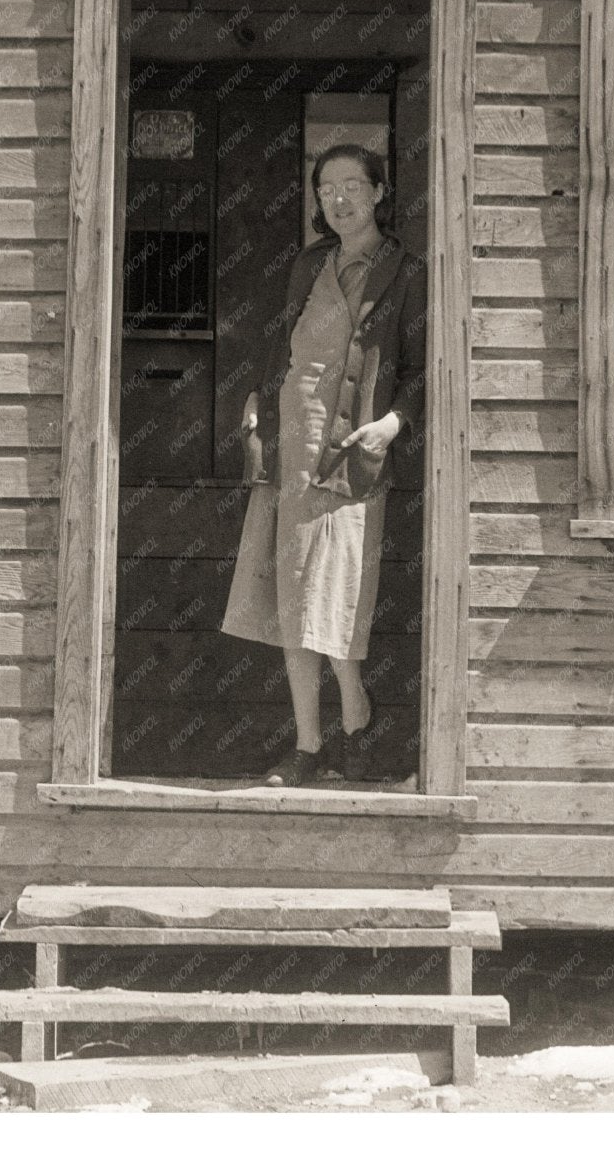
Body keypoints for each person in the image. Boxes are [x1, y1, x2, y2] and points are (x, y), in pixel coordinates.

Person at [221, 142, 426, 786]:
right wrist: (259, 393)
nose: (338, 200)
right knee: (291, 598)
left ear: (379, 193)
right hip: (292, 449)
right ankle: (310, 743)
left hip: (353, 452)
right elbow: (280, 340)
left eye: (352, 186)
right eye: (326, 189)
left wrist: (392, 425)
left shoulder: (406, 272)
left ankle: (356, 711)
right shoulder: (309, 265)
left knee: (336, 597)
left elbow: (424, 369)